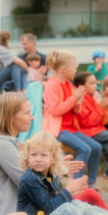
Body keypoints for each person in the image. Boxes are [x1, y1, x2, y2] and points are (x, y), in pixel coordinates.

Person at [0, 93, 85, 215]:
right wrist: (56, 169)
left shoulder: (2, 143)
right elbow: (35, 183)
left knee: (81, 206)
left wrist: (53, 165)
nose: (32, 117)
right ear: (12, 117)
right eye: (27, 113)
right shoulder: (1, 146)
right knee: (78, 208)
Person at [17, 131, 105, 215]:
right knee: (68, 208)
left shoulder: (49, 176)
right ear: (27, 157)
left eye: (43, 155)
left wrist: (69, 191)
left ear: (52, 158)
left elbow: (56, 203)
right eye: (33, 155)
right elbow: (49, 209)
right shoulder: (29, 179)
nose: (38, 159)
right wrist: (68, 191)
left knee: (75, 204)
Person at [42, 50, 102, 189]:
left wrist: (78, 102)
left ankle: (91, 184)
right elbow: (55, 110)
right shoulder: (52, 85)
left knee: (96, 147)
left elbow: (74, 110)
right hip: (58, 129)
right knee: (85, 149)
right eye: (74, 68)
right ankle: (75, 185)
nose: (76, 71)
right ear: (64, 69)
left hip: (71, 129)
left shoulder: (69, 85)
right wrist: (73, 98)